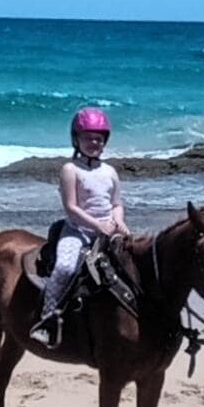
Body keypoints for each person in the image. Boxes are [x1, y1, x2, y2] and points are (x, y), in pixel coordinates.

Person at [32, 107, 128, 346]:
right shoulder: (70, 169)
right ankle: (48, 320)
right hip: (77, 231)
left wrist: (119, 221)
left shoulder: (110, 171)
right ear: (76, 139)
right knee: (64, 267)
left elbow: (116, 203)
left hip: (109, 230)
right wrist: (98, 225)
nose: (94, 142)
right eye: (87, 137)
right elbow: (71, 208)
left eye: (98, 138)